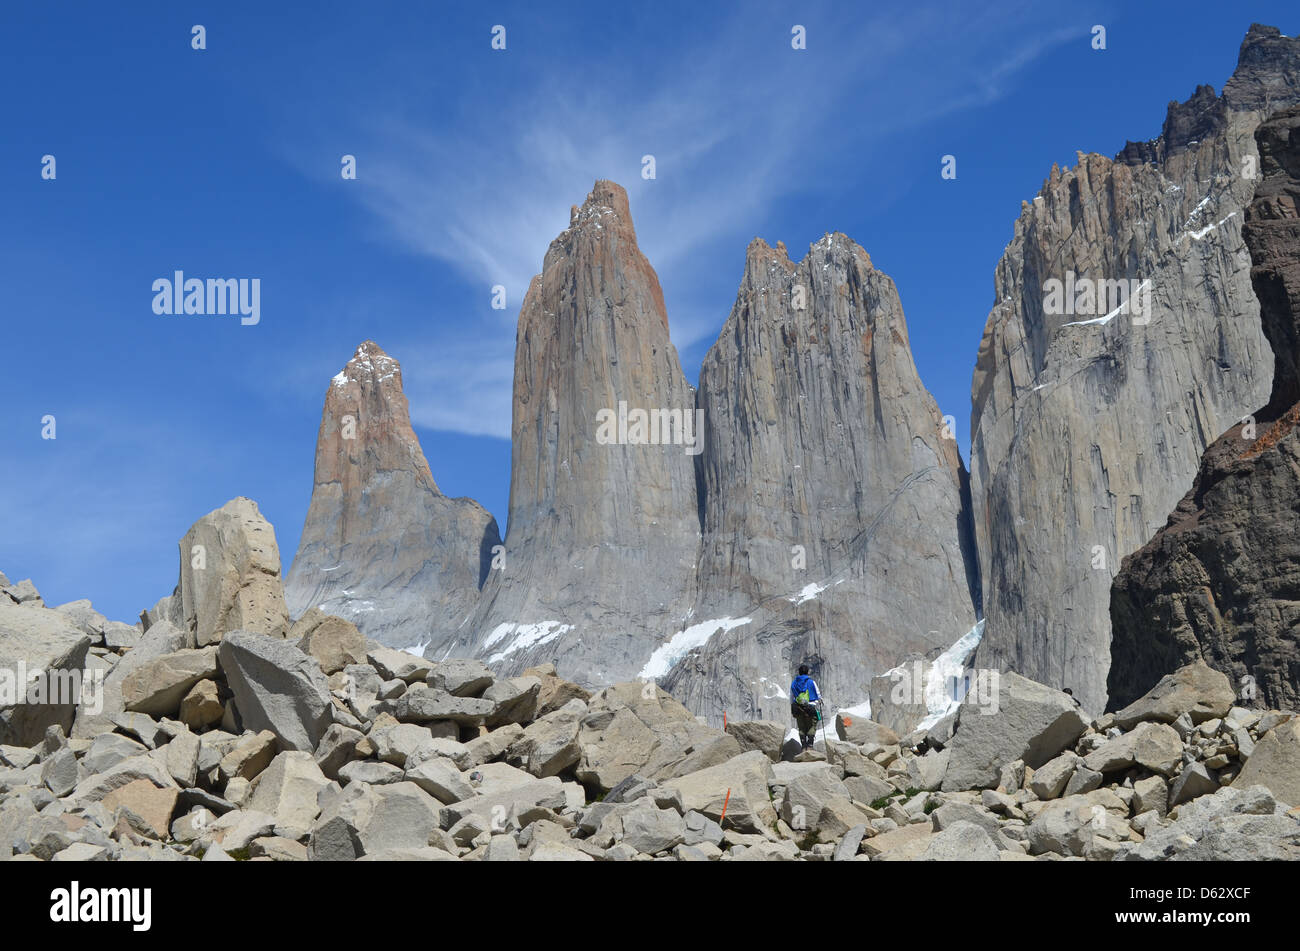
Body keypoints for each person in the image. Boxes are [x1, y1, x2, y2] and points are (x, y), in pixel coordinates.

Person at [790, 664, 822, 750]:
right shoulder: (811, 682)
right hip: (810, 707)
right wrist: (819, 700)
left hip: (799, 708)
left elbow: (792, 695)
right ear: (807, 672)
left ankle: (803, 746)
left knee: (801, 727)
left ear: (799, 672)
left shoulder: (794, 683)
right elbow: (818, 694)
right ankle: (810, 745)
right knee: (812, 726)